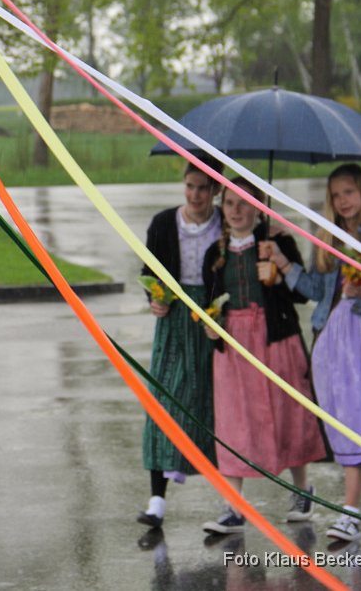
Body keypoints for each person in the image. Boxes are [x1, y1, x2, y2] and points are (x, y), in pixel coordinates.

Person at [262, 163, 361, 543]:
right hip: (332, 343)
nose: (342, 201)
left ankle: (350, 513)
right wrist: (283, 263)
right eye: (335, 195)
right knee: (350, 422)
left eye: (348, 192)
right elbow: (316, 290)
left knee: (358, 421)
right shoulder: (328, 241)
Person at [198, 178, 326, 535]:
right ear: (222, 210)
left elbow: (302, 297)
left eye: (244, 203)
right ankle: (234, 506)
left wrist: (279, 269)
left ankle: (302, 490)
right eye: (230, 204)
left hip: (276, 340)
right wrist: (212, 323)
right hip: (234, 347)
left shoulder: (277, 243)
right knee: (234, 419)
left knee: (288, 411)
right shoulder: (216, 253)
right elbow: (210, 302)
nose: (237, 211)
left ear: (259, 206)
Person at [137, 159, 223, 529]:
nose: (195, 195)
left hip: (211, 319)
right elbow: (148, 270)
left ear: (216, 190)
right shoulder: (163, 223)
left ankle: (229, 499)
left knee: (216, 404)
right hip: (173, 319)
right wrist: (154, 299)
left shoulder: (225, 225)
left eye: (203, 188)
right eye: (190, 186)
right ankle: (157, 498)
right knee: (164, 399)